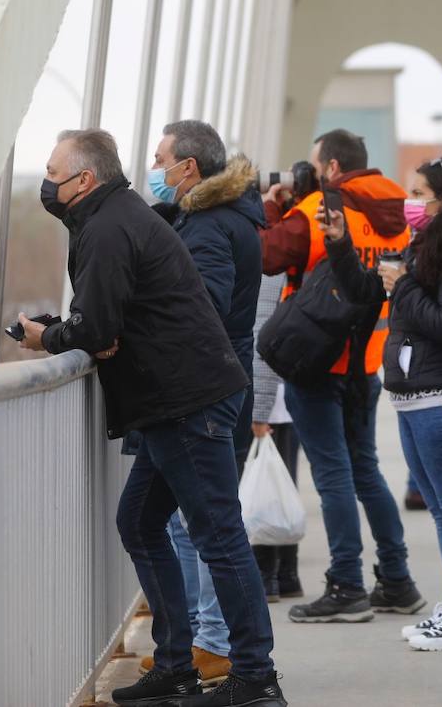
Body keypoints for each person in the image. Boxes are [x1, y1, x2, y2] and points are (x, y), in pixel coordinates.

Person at [18, 129, 285, 706]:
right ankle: (175, 664)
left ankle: (256, 677)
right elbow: (108, 324)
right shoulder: (116, 217)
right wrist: (98, 331)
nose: (47, 182)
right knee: (140, 522)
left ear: (84, 180)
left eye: (53, 171)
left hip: (185, 400)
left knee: (218, 534)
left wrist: (50, 337)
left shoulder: (109, 228)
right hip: (178, 398)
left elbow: (96, 328)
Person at [324, 158, 442, 651]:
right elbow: (368, 291)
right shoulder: (427, 246)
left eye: (418, 192)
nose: (410, 202)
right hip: (416, 395)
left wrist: (403, 285)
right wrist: (342, 242)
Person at [258, 128, 423, 623]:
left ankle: (346, 585)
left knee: (331, 476)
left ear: (331, 168)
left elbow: (266, 255)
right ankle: (396, 580)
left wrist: (273, 205)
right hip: (367, 360)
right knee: (365, 470)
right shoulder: (398, 211)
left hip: (317, 360)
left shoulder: (322, 210)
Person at [134, 119, 266, 684]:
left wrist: (131, 327)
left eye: (162, 159)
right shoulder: (211, 217)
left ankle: (247, 668)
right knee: (142, 520)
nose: (156, 169)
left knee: (214, 531)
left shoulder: (210, 227)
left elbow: (200, 308)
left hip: (200, 395)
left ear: (189, 167)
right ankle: (184, 655)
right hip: (203, 391)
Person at [250, 273, 304, 603]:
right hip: (289, 389)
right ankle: (287, 574)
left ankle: (267, 576)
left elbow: (260, 332)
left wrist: (260, 409)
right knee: (281, 483)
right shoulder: (291, 259)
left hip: (270, 395)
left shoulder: (267, 263)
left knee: (266, 488)